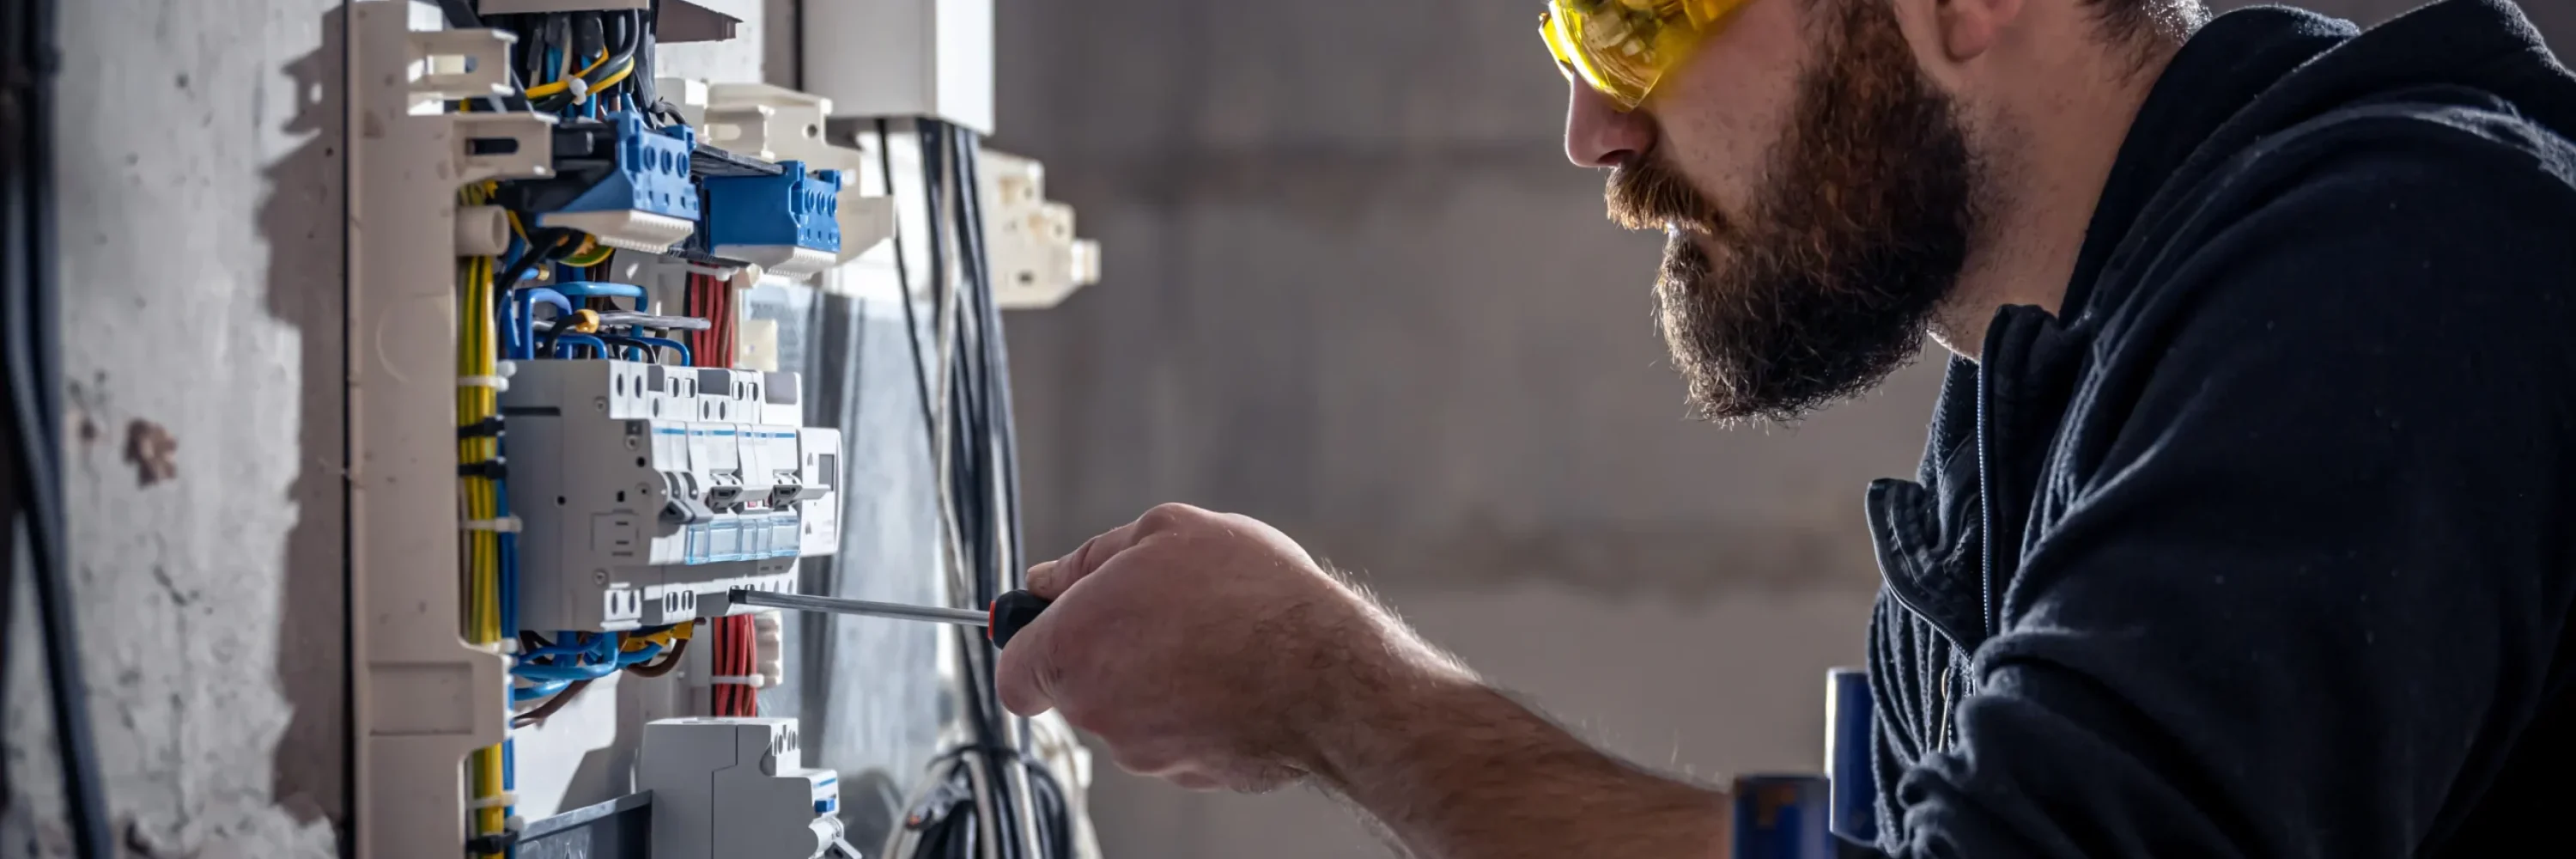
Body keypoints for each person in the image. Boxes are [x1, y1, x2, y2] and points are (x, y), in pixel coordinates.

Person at [993, 0, 2576, 855]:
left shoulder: (2403, 269)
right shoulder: (2036, 414)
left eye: (1642, 17)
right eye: (1575, 32)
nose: (1592, 128)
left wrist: (1341, 693)